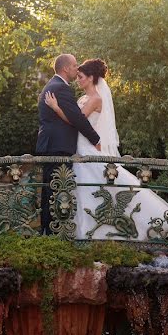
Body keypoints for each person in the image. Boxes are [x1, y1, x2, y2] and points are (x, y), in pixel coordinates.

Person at [44, 58, 168, 240]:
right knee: (83, 190)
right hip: (79, 147)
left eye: (81, 77)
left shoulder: (95, 99)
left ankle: (141, 223)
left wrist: (56, 108)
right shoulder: (83, 98)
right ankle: (84, 232)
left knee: (94, 185)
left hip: (87, 148)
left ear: (90, 78)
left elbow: (77, 122)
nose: (78, 80)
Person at [36, 54, 101, 234]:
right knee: (57, 190)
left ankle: (47, 232)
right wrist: (96, 139)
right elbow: (77, 119)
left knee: (51, 189)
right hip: (58, 147)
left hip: (51, 145)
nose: (76, 68)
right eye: (74, 66)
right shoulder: (61, 88)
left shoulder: (51, 86)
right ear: (66, 68)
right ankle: (53, 234)